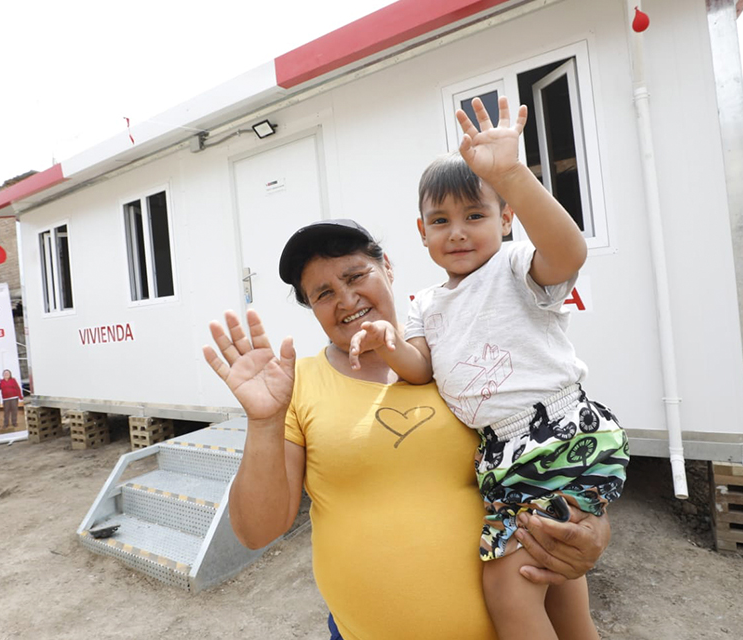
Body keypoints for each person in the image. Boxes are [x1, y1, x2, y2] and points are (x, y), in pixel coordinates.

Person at [203, 219, 613, 639]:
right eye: (323, 293)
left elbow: (554, 453)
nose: (346, 299)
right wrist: (265, 421)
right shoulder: (298, 384)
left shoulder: (459, 356)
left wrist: (592, 527)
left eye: (355, 275)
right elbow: (257, 532)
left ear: (388, 269)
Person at [346, 97, 628, 639]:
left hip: (553, 436)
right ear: (421, 232)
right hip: (501, 456)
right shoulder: (425, 303)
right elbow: (419, 369)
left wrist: (513, 174)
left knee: (510, 587)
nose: (457, 232)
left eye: (475, 216)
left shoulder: (514, 266)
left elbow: (568, 252)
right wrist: (388, 343)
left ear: (506, 218)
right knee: (560, 586)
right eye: (440, 221)